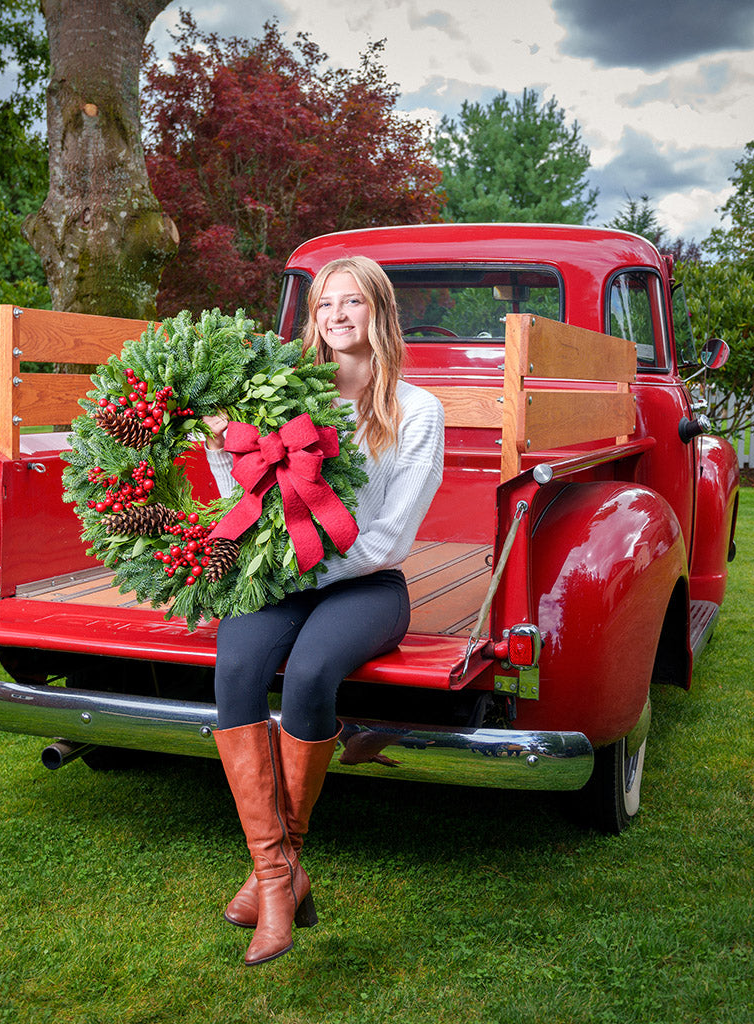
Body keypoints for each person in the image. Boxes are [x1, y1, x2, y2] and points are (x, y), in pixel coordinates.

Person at [202, 255, 445, 965]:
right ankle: (279, 878)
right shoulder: (289, 397)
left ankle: (276, 875)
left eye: (354, 303)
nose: (338, 316)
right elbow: (247, 493)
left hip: (367, 583)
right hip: (282, 574)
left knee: (309, 675)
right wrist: (223, 448)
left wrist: (302, 569)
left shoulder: (417, 410)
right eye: (325, 305)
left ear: (380, 313)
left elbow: (391, 536)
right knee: (237, 664)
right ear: (313, 320)